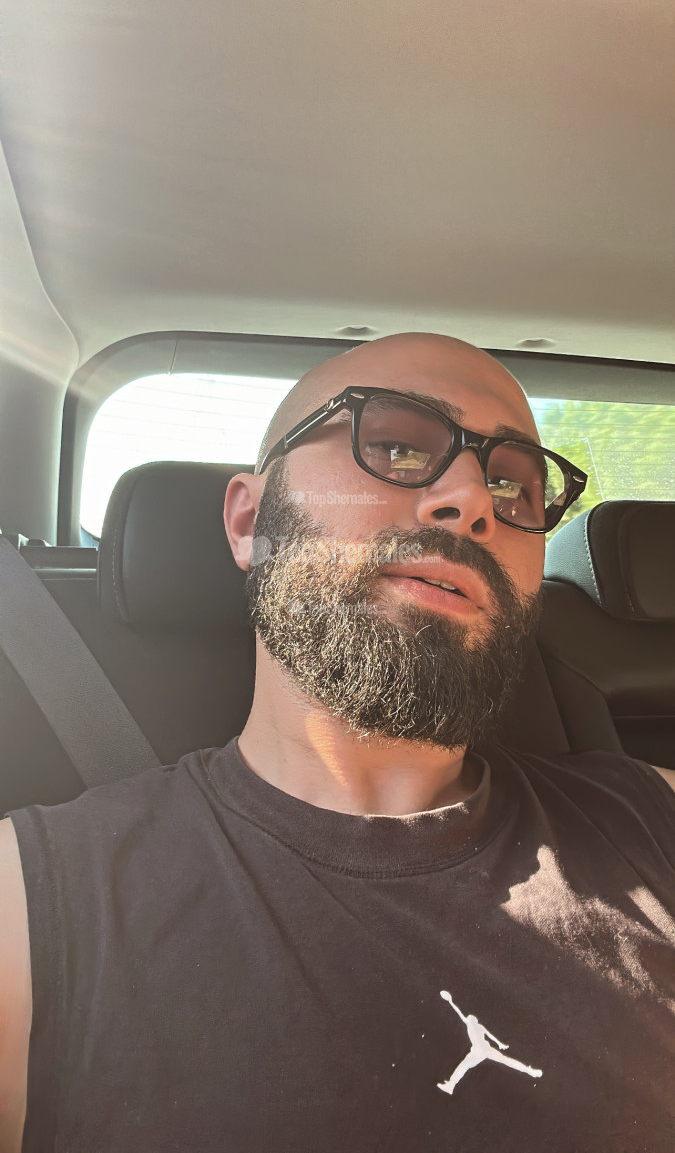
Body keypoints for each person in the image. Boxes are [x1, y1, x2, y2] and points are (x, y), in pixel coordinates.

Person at [0, 332, 673, 1152]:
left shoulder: (650, 820)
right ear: (250, 522)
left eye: (511, 484)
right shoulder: (30, 908)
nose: (472, 500)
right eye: (394, 446)